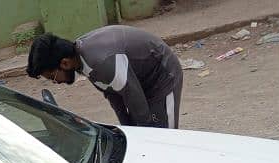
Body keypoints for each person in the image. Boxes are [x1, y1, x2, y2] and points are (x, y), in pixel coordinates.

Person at [27, 26, 183, 129]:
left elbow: (133, 96)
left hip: (162, 75)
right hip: (138, 80)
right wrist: (127, 128)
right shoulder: (80, 59)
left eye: (52, 77)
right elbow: (112, 93)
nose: (56, 82)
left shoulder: (101, 62)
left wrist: (144, 133)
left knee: (164, 138)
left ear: (65, 63)